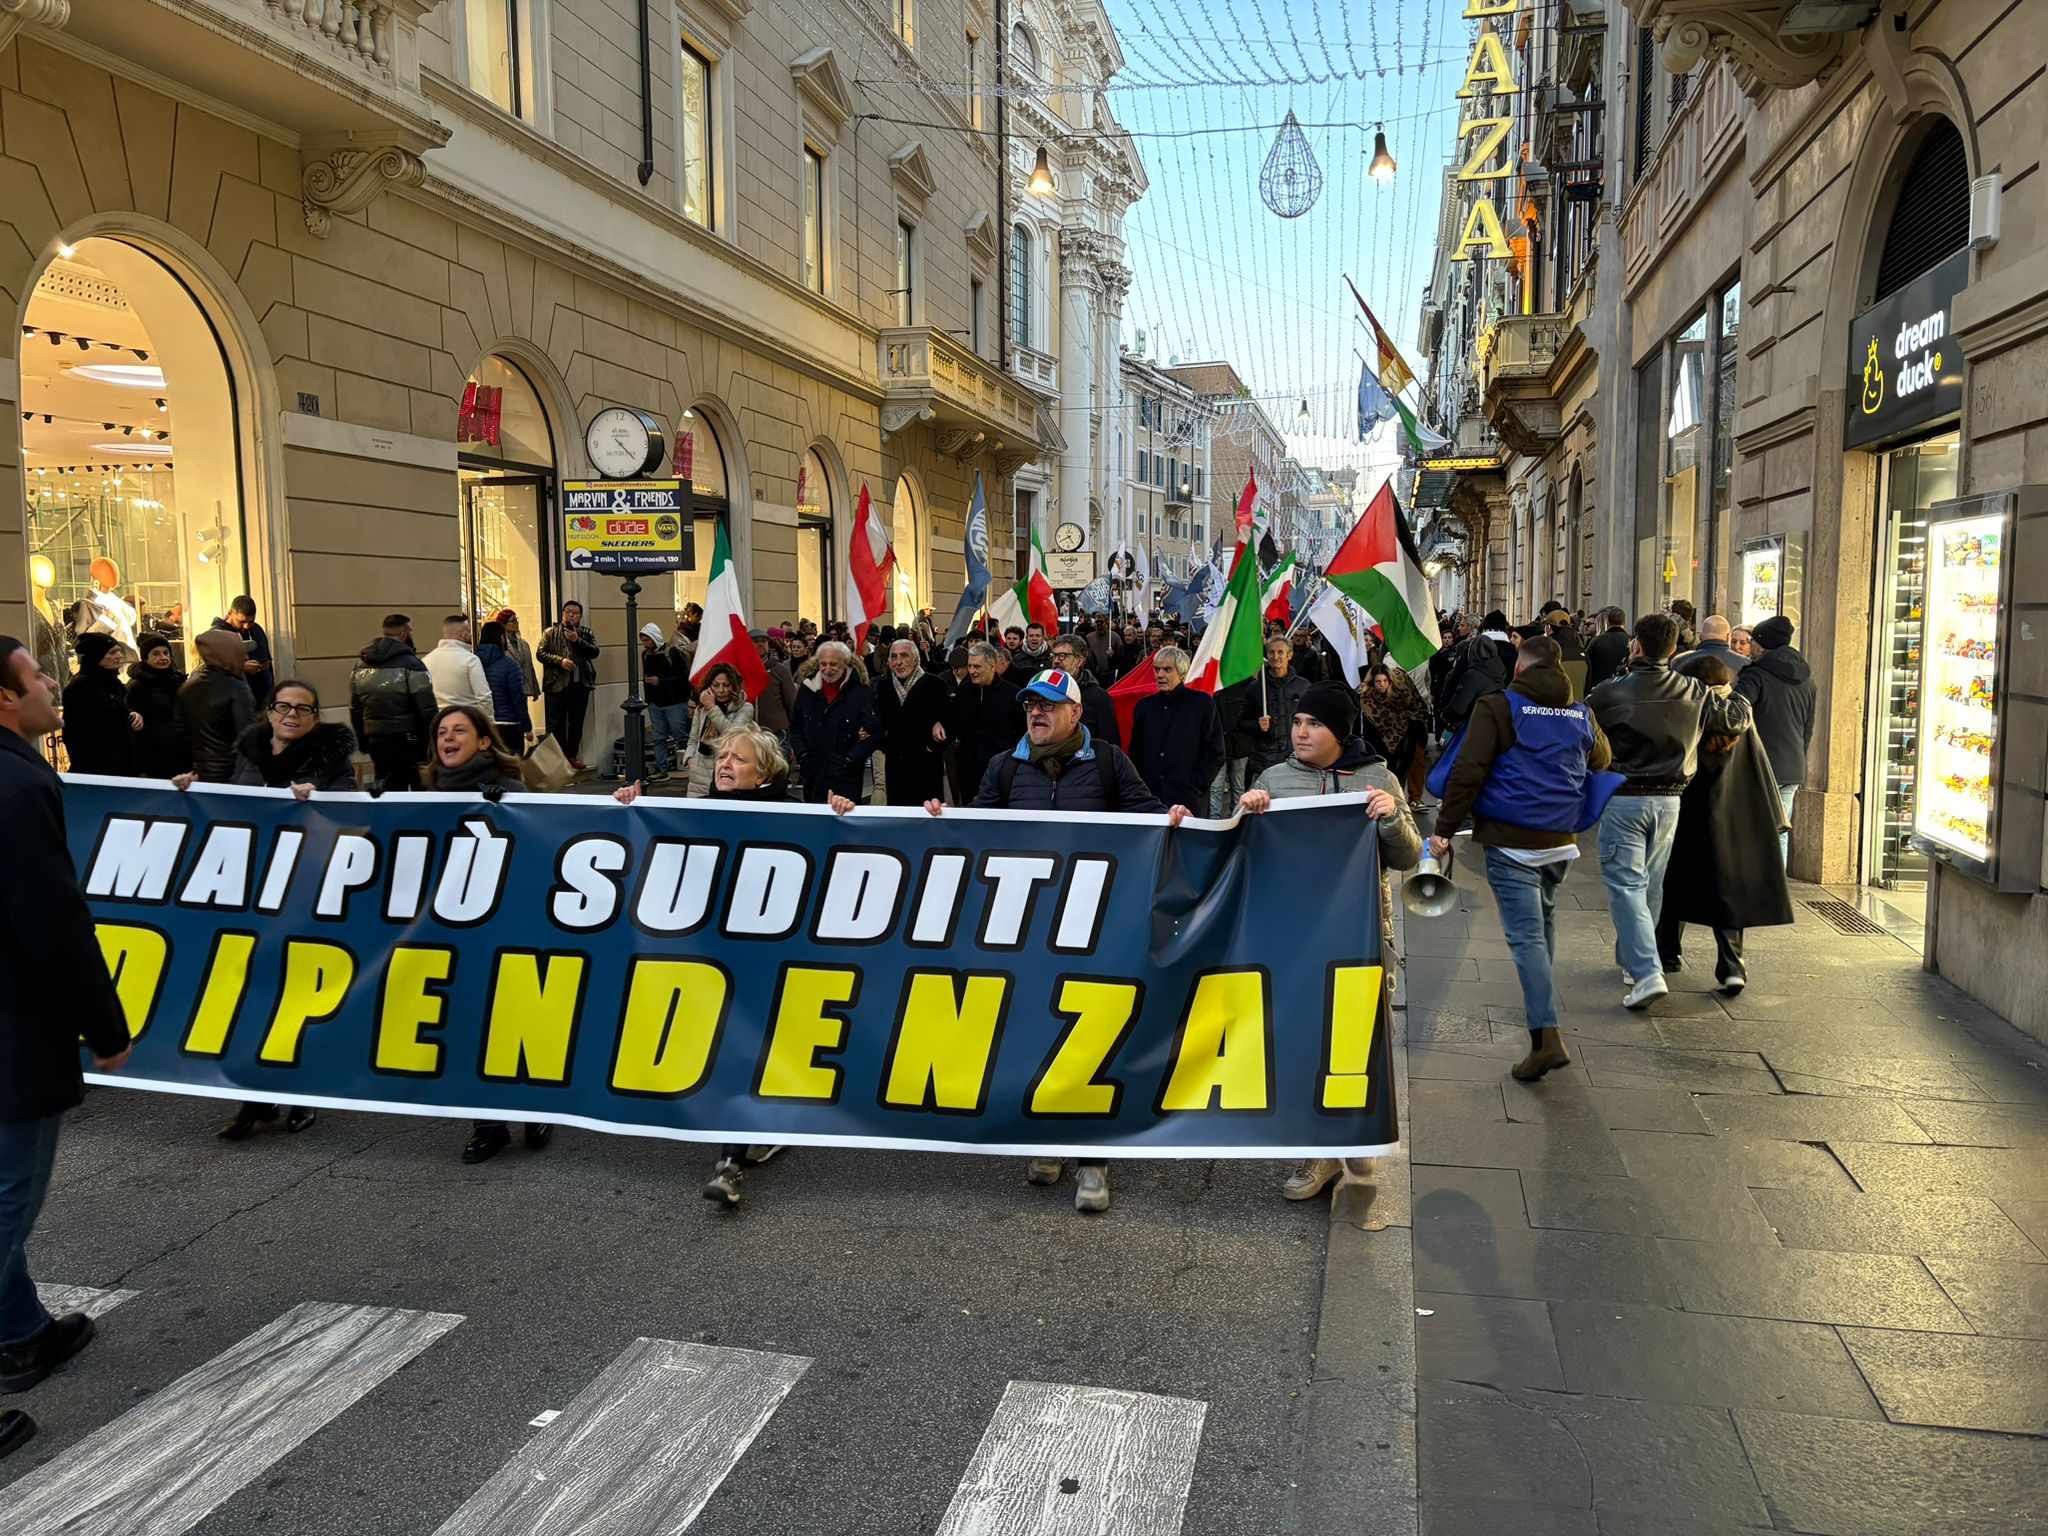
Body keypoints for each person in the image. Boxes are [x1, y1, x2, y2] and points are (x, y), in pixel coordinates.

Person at [925, 670, 1189, 1213]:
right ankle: (1046, 1138)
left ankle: (1092, 1158)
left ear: (1075, 713)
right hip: (1027, 926)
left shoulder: (1110, 762)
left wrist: (1173, 818)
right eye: (1030, 706)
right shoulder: (1005, 765)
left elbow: (1144, 814)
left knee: (1088, 1037)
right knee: (1032, 1029)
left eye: (1047, 705)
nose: (1036, 713)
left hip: (1095, 925)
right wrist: (940, 821)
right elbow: (977, 826)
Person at [0, 638, 133, 1454]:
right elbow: (52, 921)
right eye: (35, 675)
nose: (52, 682)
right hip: (13, 1034)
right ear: (5, 700)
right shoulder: (17, 785)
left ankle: (21, 1332)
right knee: (7, 1201)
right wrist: (105, 1026)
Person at [615, 725, 832, 1207]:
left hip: (770, 958)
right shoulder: (698, 813)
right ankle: (751, 1136)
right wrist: (631, 806)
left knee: (745, 1051)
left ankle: (730, 1162)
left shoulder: (795, 814)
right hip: (713, 958)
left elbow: (836, 855)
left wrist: (844, 814)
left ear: (764, 774)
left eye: (738, 758)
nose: (725, 765)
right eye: (722, 757)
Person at [1241, 679, 1422, 1199]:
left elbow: (1408, 856)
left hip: (1360, 932)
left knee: (1361, 1037)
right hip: (1295, 935)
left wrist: (1390, 817)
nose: (1300, 732)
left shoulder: (1378, 778)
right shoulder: (1274, 778)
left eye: (1314, 724)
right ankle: (1319, 1151)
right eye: (1298, 722)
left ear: (1340, 732)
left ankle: (1357, 1128)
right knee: (1306, 1038)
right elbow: (1242, 852)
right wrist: (1246, 812)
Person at [174, 679, 359, 1139]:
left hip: (305, 888)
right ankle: (256, 1098)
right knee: (251, 989)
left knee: (297, 991)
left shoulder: (332, 761)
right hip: (253, 887)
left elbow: (353, 815)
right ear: (269, 711)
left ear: (315, 717)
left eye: (302, 708)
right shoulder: (249, 752)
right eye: (283, 706)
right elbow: (230, 805)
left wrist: (320, 800)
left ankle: (302, 1094)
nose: (291, 714)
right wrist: (192, 790)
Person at [1429, 635, 1613, 1083]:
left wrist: (1444, 829)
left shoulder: (1498, 707)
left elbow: (1468, 770)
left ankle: (1545, 1036)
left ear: (1519, 668)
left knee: (1526, 937)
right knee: (1543, 924)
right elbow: (1603, 759)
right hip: (1561, 839)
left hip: (1511, 840)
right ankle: (1540, 1002)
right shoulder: (1580, 711)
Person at [1586, 613, 1751, 1010]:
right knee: (1651, 884)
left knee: (1626, 884)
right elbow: (1736, 719)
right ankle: (1635, 961)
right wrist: (1737, 694)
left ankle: (1646, 971)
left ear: (1637, 645)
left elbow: (1583, 729)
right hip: (1671, 799)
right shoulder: (1695, 691)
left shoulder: (1610, 692)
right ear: (1674, 649)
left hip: (1625, 796)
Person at [419, 705, 556, 1164]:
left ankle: (535, 1107)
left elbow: (542, 847)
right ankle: (488, 1125)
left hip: (508, 924)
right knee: (468, 1024)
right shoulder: (426, 794)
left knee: (515, 1020)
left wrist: (510, 810)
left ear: (483, 741)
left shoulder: (509, 789)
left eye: (460, 730)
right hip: (452, 929)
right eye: (442, 731)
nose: (448, 737)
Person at [1657, 655, 1792, 994]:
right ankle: (1732, 965)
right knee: (1728, 889)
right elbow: (1758, 764)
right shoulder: (1741, 712)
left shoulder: (1688, 712)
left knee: (1674, 881)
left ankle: (1666, 952)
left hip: (1688, 811)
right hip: (1735, 815)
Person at [1733, 615, 1816, 866]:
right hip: (1792, 766)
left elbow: (1734, 714)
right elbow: (1808, 728)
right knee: (1779, 829)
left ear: (1763, 645)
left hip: (1759, 764)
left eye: (1753, 641)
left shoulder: (1756, 675)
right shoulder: (1806, 679)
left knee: (1749, 828)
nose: (1750, 646)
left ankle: (1751, 881)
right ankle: (1775, 883)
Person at [1128, 647, 1224, 813]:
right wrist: (1141, 788)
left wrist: (1197, 784)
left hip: (1189, 800)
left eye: (1167, 669)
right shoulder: (1144, 707)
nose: (1160, 674)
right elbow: (1135, 752)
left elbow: (1216, 751)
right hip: (1152, 799)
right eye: (1157, 669)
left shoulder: (1202, 704)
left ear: (1181, 673)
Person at [350, 614, 438, 793]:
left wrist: (362, 739)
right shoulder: (412, 664)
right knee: (418, 786)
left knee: (386, 786)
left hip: (376, 739)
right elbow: (427, 708)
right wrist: (432, 741)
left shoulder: (361, 664)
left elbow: (356, 707)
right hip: (409, 739)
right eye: (410, 630)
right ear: (404, 634)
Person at [790, 640, 879, 803]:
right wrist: (803, 755)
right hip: (813, 773)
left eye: (833, 664)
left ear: (845, 663)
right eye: (823, 664)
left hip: (847, 776)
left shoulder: (861, 691)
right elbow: (795, 727)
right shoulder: (807, 689)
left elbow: (874, 732)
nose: (827, 669)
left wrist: (850, 759)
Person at [177, 627, 258, 783]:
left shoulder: (188, 686)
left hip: (199, 773)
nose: (246, 657)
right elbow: (248, 737)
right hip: (232, 775)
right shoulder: (236, 687)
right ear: (228, 654)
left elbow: (181, 734)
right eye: (240, 652)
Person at [946, 641, 1023, 803]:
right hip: (968, 770)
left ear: (992, 666)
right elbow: (953, 721)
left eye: (977, 667)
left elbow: (1021, 733)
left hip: (1001, 772)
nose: (972, 671)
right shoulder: (964, 691)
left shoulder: (1012, 694)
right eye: (970, 666)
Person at [875, 637, 949, 806]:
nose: (898, 662)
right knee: (898, 814)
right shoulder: (884, 686)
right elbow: (881, 721)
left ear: (916, 659)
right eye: (894, 656)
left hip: (926, 766)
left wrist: (932, 746)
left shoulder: (935, 684)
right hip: (895, 765)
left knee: (927, 814)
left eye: (904, 656)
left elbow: (949, 722)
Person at [59, 634, 139, 776]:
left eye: (119, 651)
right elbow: (74, 732)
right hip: (97, 769)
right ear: (96, 656)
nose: (119, 656)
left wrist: (132, 715)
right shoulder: (80, 687)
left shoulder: (114, 683)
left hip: (122, 766)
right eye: (112, 652)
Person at [538, 600, 601, 770]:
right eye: (568, 612)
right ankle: (558, 759)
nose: (571, 615)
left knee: (576, 723)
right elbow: (540, 653)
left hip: (580, 684)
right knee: (556, 724)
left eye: (575, 613)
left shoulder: (586, 633)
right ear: (562, 614)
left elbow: (595, 652)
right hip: (557, 684)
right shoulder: (550, 632)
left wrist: (577, 640)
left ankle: (571, 756)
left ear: (580, 616)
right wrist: (560, 661)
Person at [1359, 661, 1429, 802]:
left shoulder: (1401, 688)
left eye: (1385, 681)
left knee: (1406, 766)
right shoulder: (1367, 697)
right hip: (1380, 737)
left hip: (1407, 732)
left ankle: (1407, 799)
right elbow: (1370, 724)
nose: (1382, 684)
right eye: (1378, 681)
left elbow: (1416, 706)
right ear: (1373, 682)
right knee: (1386, 770)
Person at [682, 663, 755, 797]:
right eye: (716, 685)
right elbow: (693, 739)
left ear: (734, 686)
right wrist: (689, 759)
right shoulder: (702, 708)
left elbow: (732, 736)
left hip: (727, 774)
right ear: (709, 686)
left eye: (726, 685)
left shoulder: (745, 708)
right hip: (698, 776)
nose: (721, 690)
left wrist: (712, 708)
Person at [126, 632, 190, 778]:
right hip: (152, 757)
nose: (163, 657)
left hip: (181, 754)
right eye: (156, 654)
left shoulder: (179, 681)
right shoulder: (137, 685)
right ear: (145, 658)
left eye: (166, 653)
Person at [1047, 632, 1121, 748]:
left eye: (1062, 656)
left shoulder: (1099, 698)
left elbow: (1109, 744)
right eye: (1054, 655)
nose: (1056, 661)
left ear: (1080, 661)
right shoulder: (1044, 692)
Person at [1437, 616, 1510, 732]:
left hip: (1474, 726)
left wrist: (1444, 715)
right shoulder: (1501, 670)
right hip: (1496, 725)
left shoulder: (1472, 674)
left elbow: (1459, 706)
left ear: (1472, 652)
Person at [638, 623, 685, 779]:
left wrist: (661, 681)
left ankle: (688, 765)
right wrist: (649, 698)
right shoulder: (645, 655)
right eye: (643, 641)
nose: (645, 644)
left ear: (654, 638)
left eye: (647, 640)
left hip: (674, 701)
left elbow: (682, 677)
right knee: (659, 737)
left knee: (680, 734)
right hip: (655, 702)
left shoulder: (671, 653)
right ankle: (661, 769)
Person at [475, 621, 531, 747]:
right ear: (501, 638)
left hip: (483, 724)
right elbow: (518, 699)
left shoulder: (473, 662)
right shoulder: (510, 665)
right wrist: (527, 727)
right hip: (509, 724)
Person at [211, 595, 273, 710]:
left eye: (251, 621)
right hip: (233, 702)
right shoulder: (216, 635)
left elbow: (267, 661)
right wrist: (241, 667)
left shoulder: (256, 629)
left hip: (261, 698)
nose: (246, 626)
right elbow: (211, 669)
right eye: (242, 621)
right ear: (230, 613)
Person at [424, 613, 492, 713]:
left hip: (439, 718)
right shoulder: (471, 660)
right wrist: (487, 720)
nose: (471, 635)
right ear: (462, 634)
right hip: (466, 717)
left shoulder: (426, 660)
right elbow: (484, 697)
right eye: (469, 631)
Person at [489, 608, 541, 724]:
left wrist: (535, 688)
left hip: (523, 688)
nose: (516, 623)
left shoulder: (524, 643)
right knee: (510, 719)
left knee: (522, 717)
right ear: (503, 624)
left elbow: (529, 667)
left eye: (516, 620)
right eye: (512, 621)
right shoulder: (498, 645)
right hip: (505, 690)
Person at [750, 629, 798, 741]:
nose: (760, 644)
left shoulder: (780, 670)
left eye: (764, 641)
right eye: (756, 641)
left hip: (776, 732)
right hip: (749, 732)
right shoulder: (741, 670)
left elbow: (791, 701)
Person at [1675, 614, 1749, 678]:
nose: (1737, 646)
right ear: (1728, 637)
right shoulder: (1746, 664)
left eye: (1743, 643)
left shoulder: (1680, 661)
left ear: (1700, 636)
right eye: (1734, 641)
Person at [1583, 606, 1631, 692]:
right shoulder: (1632, 641)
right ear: (1624, 621)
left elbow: (1586, 668)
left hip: (1600, 690)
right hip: (1626, 690)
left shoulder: (1596, 641)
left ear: (1606, 622)